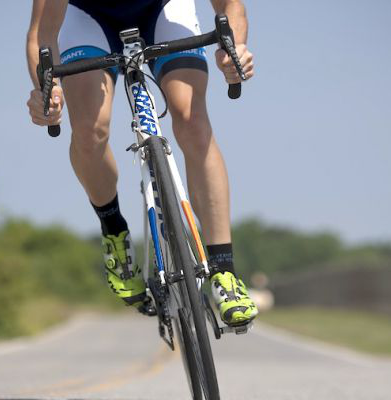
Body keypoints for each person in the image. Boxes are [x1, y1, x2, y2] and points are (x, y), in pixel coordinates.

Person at [26, 0, 258, 326]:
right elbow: (42, 34)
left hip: (164, 8)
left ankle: (225, 271)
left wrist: (234, 48)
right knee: (90, 129)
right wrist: (45, 92)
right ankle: (114, 232)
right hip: (90, 16)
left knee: (192, 120)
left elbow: (230, 5)